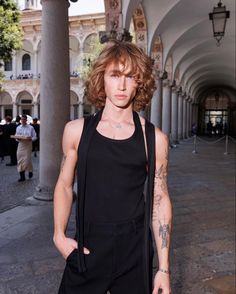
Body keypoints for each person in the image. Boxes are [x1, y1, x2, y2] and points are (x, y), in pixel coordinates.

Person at [53, 41, 172, 294]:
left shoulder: (155, 139)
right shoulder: (76, 131)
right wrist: (59, 236)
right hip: (88, 247)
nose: (121, 85)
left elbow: (160, 200)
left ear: (140, 82)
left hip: (134, 250)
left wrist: (163, 268)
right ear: (101, 78)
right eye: (115, 75)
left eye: (130, 77)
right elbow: (64, 185)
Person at [15, 114, 37, 182]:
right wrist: (17, 138)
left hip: (28, 145)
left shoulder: (31, 127)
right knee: (20, 159)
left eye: (24, 119)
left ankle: (30, 171)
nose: (23, 121)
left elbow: (35, 137)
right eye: (22, 119)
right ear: (21, 120)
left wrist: (31, 139)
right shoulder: (18, 127)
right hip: (21, 145)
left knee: (27, 160)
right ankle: (22, 176)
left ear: (26, 120)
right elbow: (16, 136)